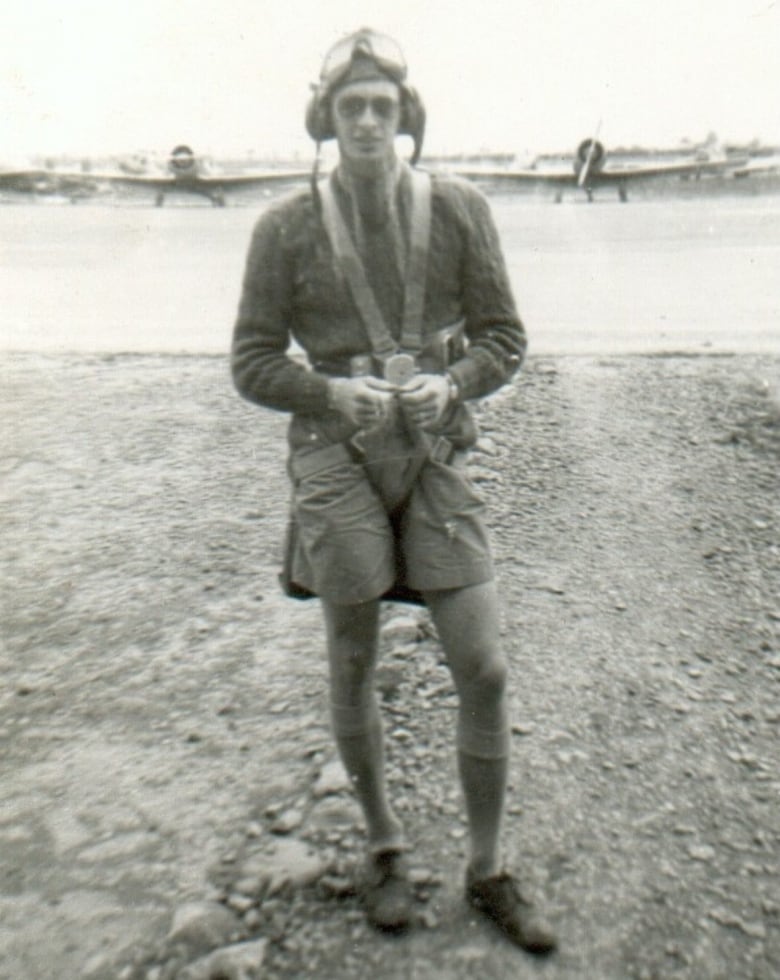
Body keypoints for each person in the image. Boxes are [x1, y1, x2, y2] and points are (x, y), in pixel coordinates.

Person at [231, 28, 556, 955]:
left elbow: (505, 337)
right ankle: (381, 846)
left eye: (382, 107)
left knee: (483, 666)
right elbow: (251, 362)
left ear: (405, 118)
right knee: (351, 658)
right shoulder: (283, 227)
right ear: (326, 122)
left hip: (435, 447)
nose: (368, 122)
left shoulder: (458, 208)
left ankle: (488, 869)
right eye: (350, 108)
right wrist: (329, 389)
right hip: (334, 452)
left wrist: (454, 384)